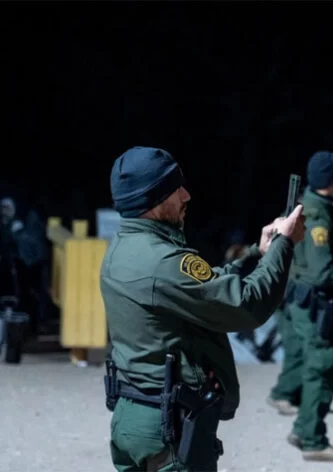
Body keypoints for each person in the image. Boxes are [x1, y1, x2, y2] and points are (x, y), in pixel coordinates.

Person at [101, 146, 305, 472]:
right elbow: (246, 305)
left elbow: (201, 288)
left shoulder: (123, 249)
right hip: (167, 426)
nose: (186, 195)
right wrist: (284, 244)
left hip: (134, 413)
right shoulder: (162, 261)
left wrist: (257, 253)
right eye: (174, 189)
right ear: (152, 200)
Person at [271, 151, 333, 461]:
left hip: (305, 301)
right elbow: (322, 273)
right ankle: (313, 440)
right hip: (314, 303)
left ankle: (303, 429)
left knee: (317, 364)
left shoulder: (311, 207)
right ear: (331, 182)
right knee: (323, 365)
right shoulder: (318, 217)